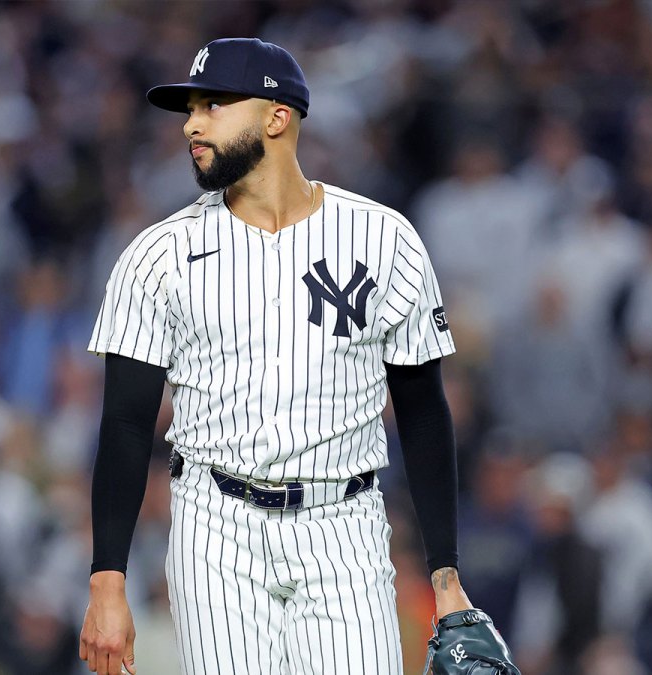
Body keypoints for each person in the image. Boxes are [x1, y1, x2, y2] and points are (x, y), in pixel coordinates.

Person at [80, 38, 506, 674]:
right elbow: (124, 424)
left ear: (277, 118)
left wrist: (445, 573)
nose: (193, 123)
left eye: (215, 104)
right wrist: (107, 583)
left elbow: (422, 410)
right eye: (190, 108)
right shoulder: (156, 256)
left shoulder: (385, 239)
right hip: (216, 525)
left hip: (346, 525)